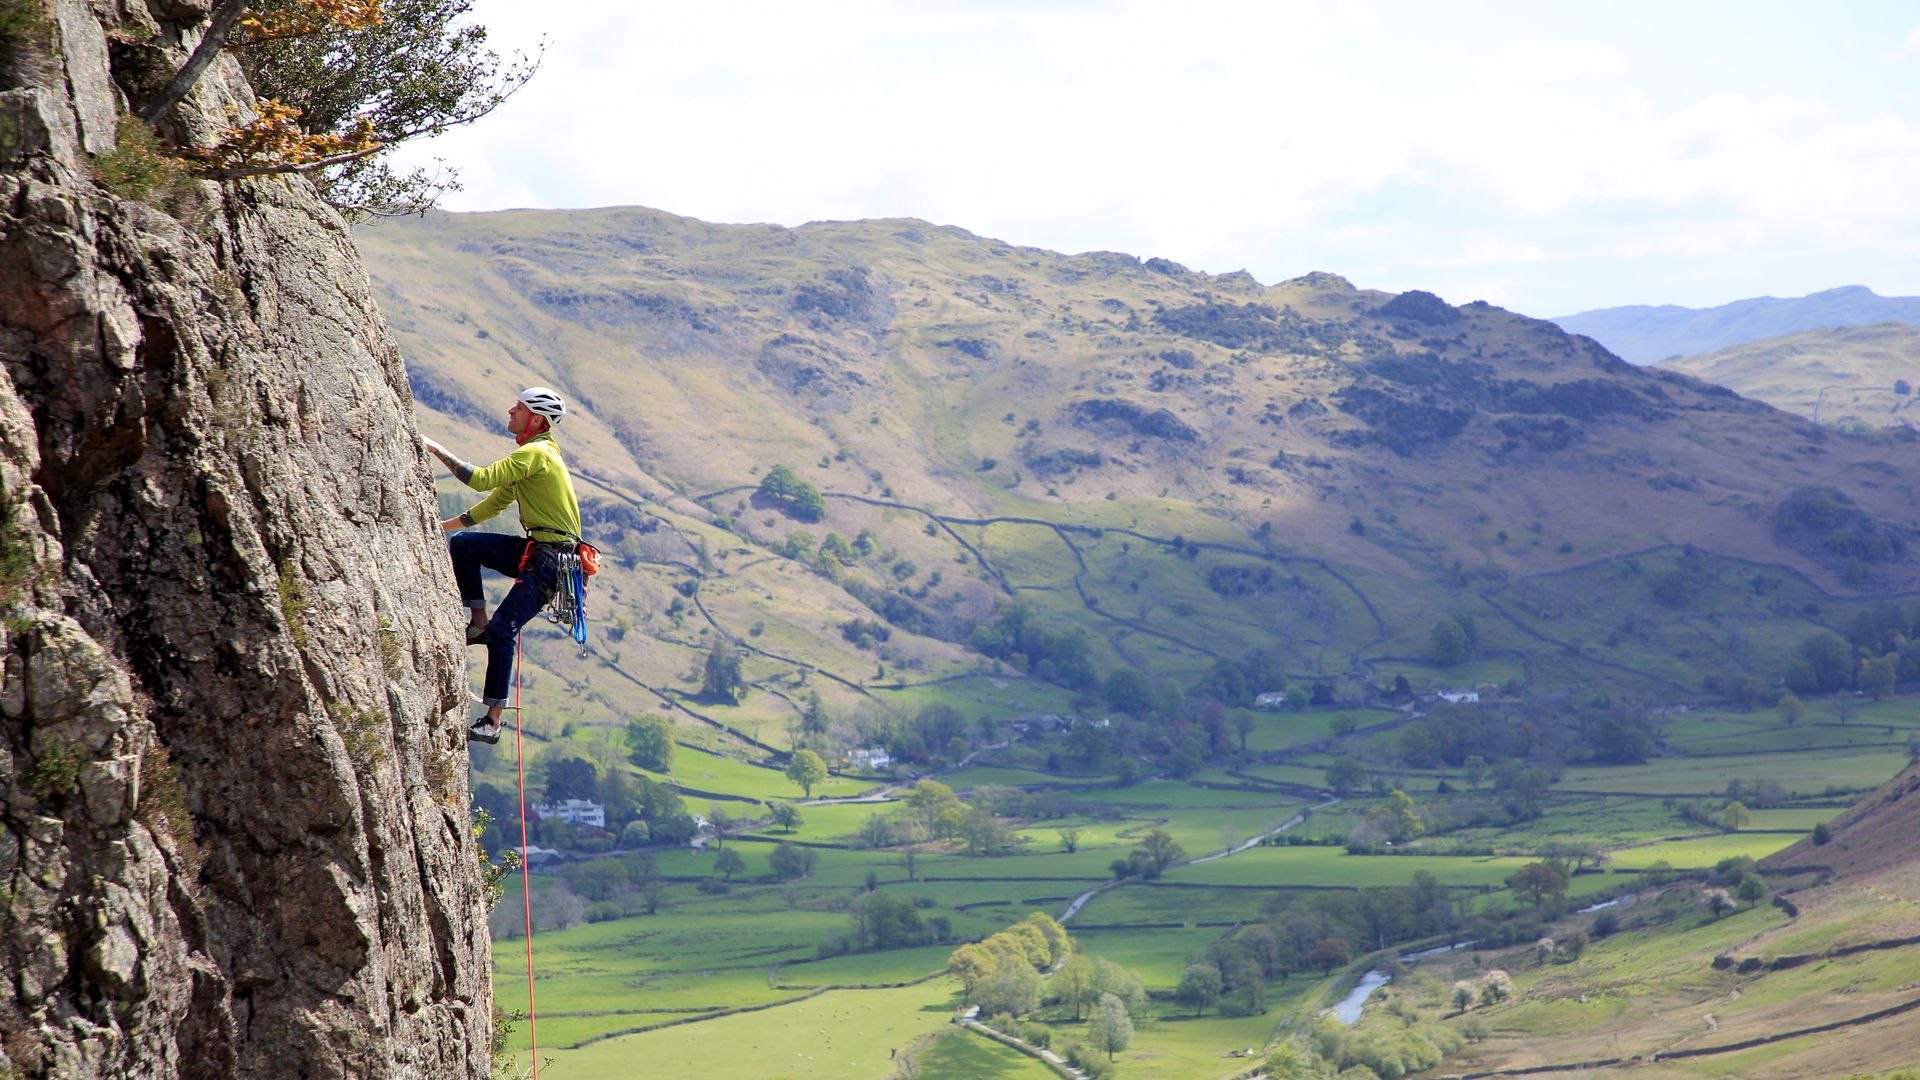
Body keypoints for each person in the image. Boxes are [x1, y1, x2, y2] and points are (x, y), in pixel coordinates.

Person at [420, 386, 583, 744]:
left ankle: (492, 723)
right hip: (540, 550)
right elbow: (492, 505)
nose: (511, 411)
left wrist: (434, 449)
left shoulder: (536, 455)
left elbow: (480, 480)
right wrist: (439, 528)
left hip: (551, 560)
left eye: (519, 408)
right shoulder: (535, 458)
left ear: (536, 419)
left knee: (503, 630)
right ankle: (476, 626)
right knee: (464, 546)